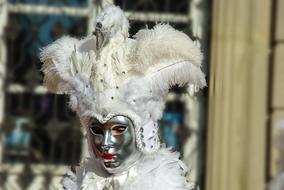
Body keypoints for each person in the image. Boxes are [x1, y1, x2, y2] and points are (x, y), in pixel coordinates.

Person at [40, 5, 206, 190]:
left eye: (118, 129)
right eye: (97, 130)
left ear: (142, 132)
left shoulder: (163, 185)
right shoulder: (85, 183)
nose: (106, 143)